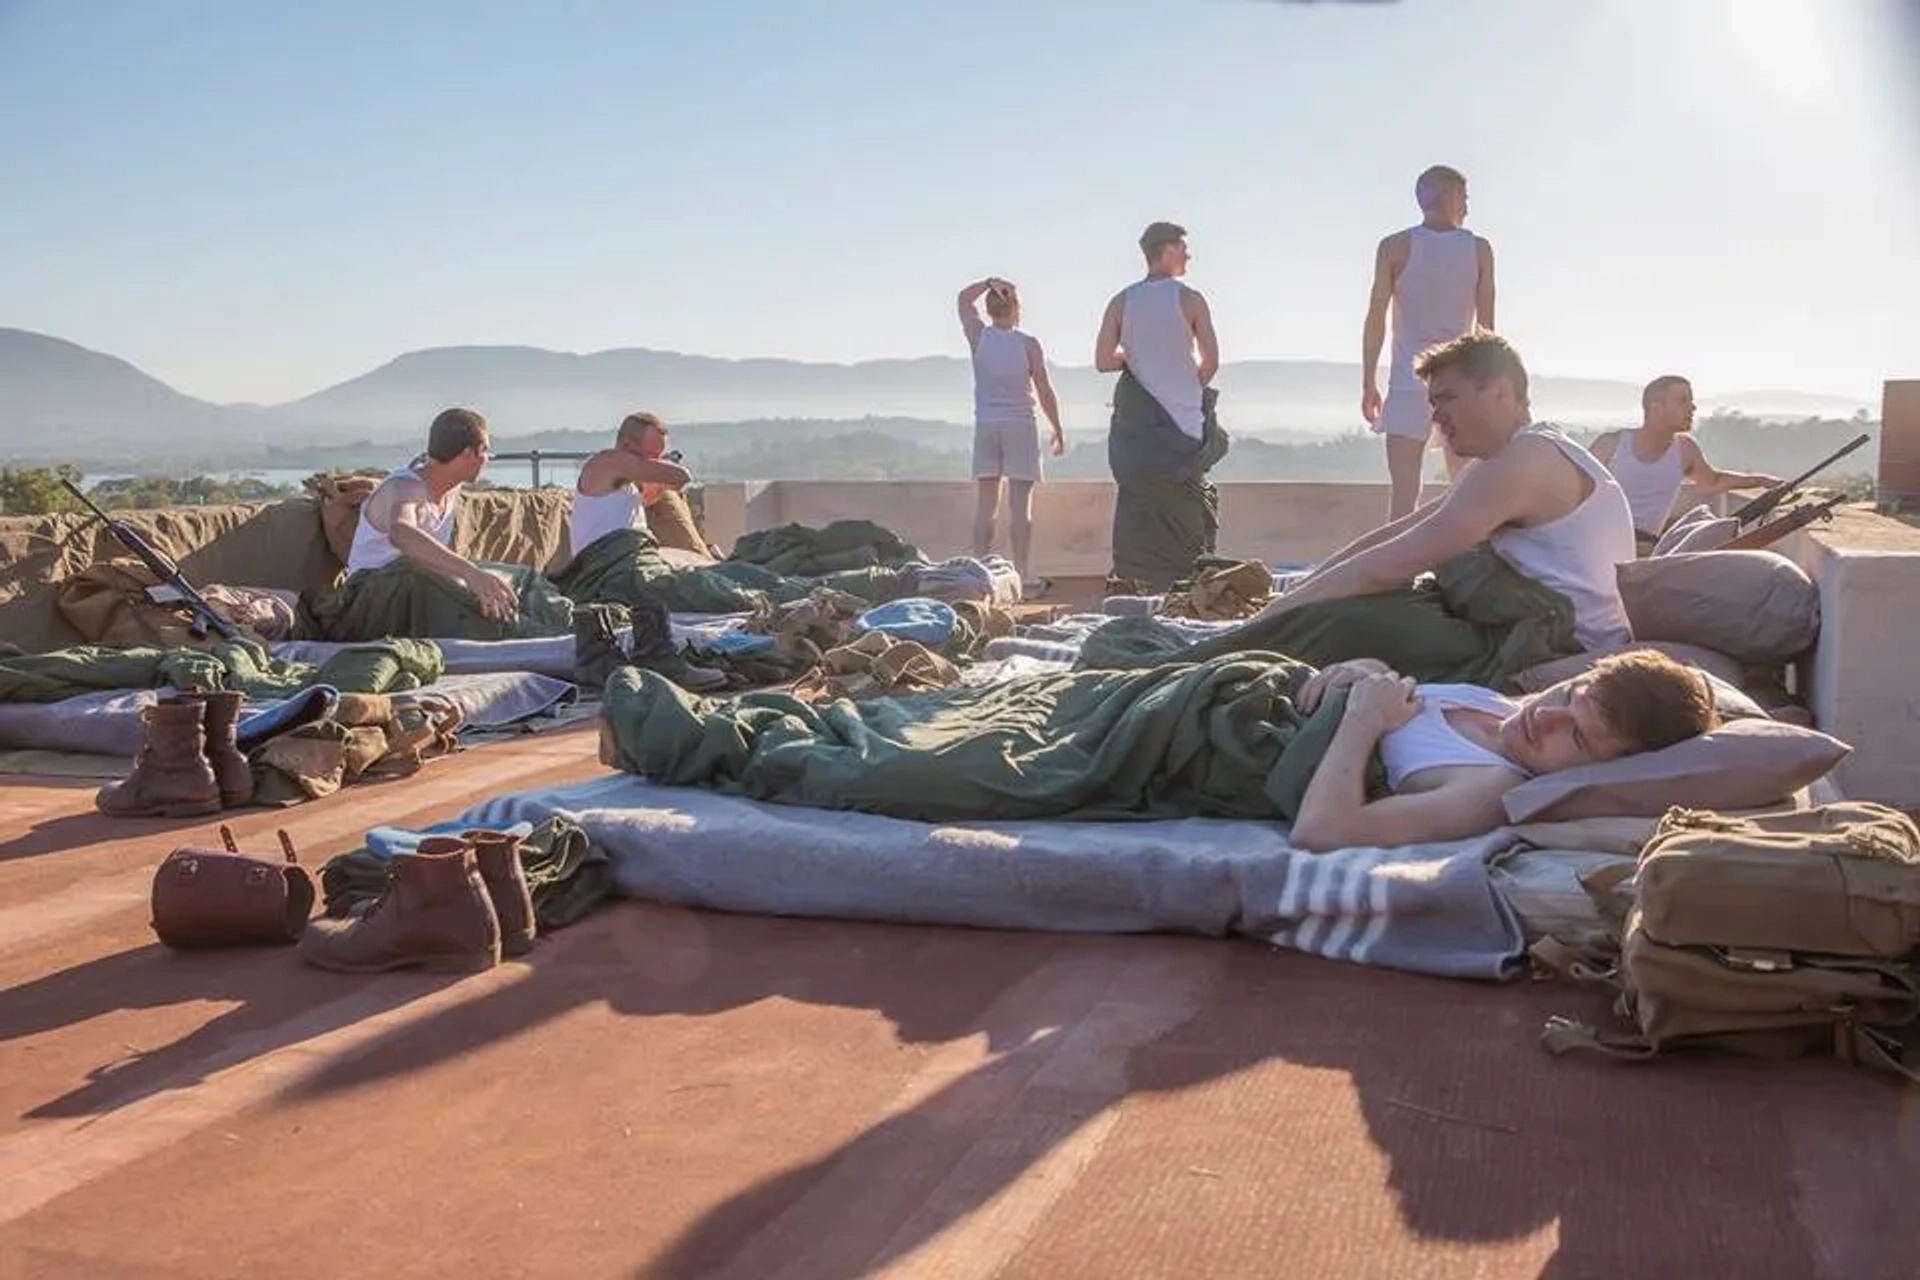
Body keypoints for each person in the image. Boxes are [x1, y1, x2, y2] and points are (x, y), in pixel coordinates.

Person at [1253, 331, 1637, 652]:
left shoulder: (1526, 461)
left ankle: (1227, 643)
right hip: (1544, 631)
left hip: (1568, 648)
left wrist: (1263, 621)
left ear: (1502, 392)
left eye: (1447, 398)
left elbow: (1391, 564)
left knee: (1346, 622)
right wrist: (1303, 584)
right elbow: (1399, 534)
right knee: (1361, 605)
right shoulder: (1514, 456)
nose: (1435, 416)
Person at [1290, 648, 1716, 852]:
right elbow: (1395, 689)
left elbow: (1322, 831)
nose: (1546, 716)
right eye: (1570, 696)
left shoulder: (1490, 788)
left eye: (1578, 736)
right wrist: (1368, 670)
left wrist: (1361, 722)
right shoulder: (1497, 705)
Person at [1093, 221, 1229, 591]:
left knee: (1139, 507)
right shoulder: (1190, 299)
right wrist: (1185, 386)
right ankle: (1186, 592)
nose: (1188, 255)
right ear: (1167, 250)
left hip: (1137, 431)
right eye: (1184, 248)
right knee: (1187, 516)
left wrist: (1134, 359)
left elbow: (1104, 359)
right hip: (1182, 424)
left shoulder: (1122, 300)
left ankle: (1135, 586)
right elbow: (1212, 360)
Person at [1361, 165, 1497, 520]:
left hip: (1408, 382)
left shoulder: (1394, 247)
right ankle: (1466, 568)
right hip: (1462, 384)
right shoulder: (1479, 249)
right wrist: (1490, 389)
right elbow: (1487, 329)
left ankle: (1398, 574)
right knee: (1467, 488)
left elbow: (1376, 318)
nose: (1467, 206)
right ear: (1451, 196)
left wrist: (1368, 382)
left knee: (1405, 493)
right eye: (1464, 198)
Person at [345, 407, 517, 622]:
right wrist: (469, 573)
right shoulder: (404, 487)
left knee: (511, 581)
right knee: (416, 569)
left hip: (417, 596)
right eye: (484, 451)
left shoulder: (451, 491)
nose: (487, 459)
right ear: (467, 453)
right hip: (373, 599)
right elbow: (402, 532)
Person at [956, 277, 1065, 587]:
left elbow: (963, 299)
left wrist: (988, 282)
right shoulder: (1028, 344)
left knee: (985, 506)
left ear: (988, 308)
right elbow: (1044, 388)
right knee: (1020, 507)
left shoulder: (978, 336)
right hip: (1020, 426)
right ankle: (1022, 574)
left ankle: (978, 572)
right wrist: (1057, 427)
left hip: (987, 426)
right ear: (1016, 307)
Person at [1591, 375, 1782, 547]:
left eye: (1691, 400)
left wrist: (1760, 481)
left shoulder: (1685, 449)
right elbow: (1575, 490)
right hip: (1600, 542)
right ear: (1656, 408)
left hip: (1645, 547)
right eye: (1683, 401)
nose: (1692, 407)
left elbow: (1713, 480)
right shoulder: (1611, 445)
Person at [569, 412, 695, 561]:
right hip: (604, 568)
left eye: (659, 458)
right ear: (627, 445)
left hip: (627, 562)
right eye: (650, 457)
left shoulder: (626, 486)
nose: (654, 463)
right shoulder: (605, 462)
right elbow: (682, 476)